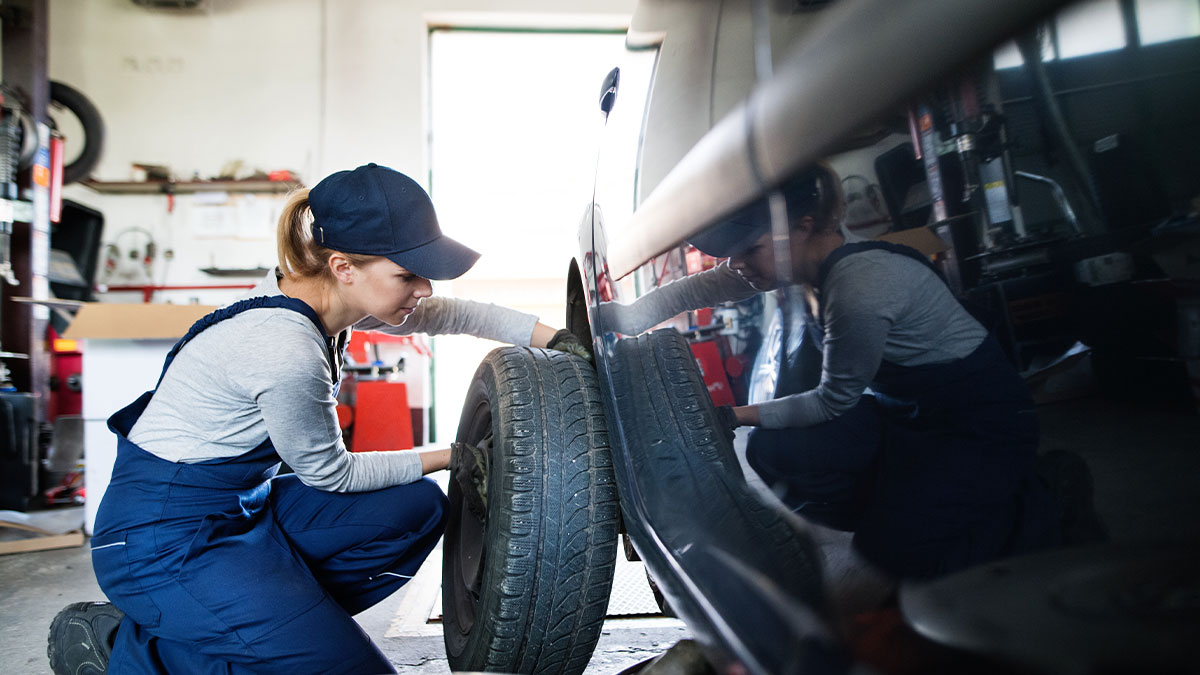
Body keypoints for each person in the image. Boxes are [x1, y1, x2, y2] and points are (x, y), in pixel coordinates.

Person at [46, 163, 586, 674]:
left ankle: (258, 624)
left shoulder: (332, 297)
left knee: (417, 507)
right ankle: (128, 652)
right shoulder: (284, 348)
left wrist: (557, 340)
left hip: (241, 512)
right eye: (409, 275)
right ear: (343, 268)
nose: (423, 289)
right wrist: (453, 455)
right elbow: (334, 476)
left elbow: (456, 313)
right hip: (160, 544)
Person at [601, 163, 1060, 582]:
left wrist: (731, 415)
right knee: (779, 451)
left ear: (802, 228)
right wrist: (613, 320)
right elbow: (689, 292)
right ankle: (919, 501)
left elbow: (831, 401)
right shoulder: (775, 261)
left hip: (981, 428)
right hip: (910, 416)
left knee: (891, 550)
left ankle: (1028, 504)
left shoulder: (859, 288)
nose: (735, 266)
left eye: (748, 251)